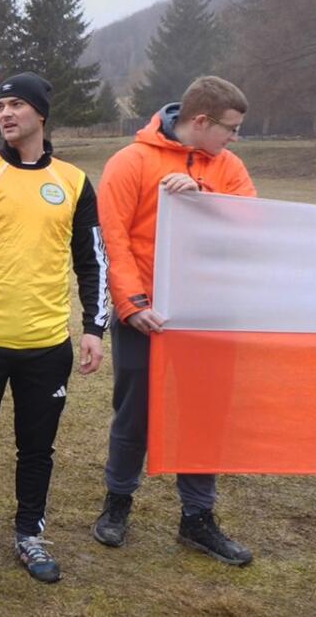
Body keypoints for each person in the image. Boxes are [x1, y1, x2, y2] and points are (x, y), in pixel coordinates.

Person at [0, 73, 109, 586]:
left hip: (46, 346)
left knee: (37, 449)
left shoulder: (74, 182)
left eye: (17, 105)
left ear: (41, 114)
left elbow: (92, 261)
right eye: (0, 106)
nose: (6, 114)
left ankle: (29, 532)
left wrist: (95, 327)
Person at [91, 76, 256, 566]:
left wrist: (201, 194)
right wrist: (131, 304)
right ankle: (117, 503)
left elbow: (252, 223)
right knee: (134, 412)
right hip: (145, 315)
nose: (234, 138)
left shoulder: (228, 168)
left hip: (210, 314)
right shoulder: (130, 162)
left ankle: (198, 518)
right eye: (230, 128)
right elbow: (113, 240)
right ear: (200, 121)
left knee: (204, 414)